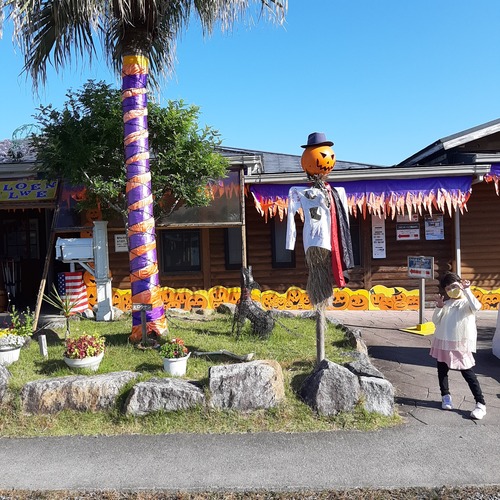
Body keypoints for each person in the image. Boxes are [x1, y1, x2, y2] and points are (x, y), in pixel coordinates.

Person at [430, 272, 486, 420]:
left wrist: (467, 290)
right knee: (442, 371)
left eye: (454, 286)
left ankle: (480, 403)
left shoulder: (467, 302)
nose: (451, 290)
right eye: (448, 288)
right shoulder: (447, 304)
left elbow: (477, 306)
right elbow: (435, 321)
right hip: (443, 341)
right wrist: (439, 307)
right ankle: (445, 396)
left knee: (468, 373)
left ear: (460, 284)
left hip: (461, 343)